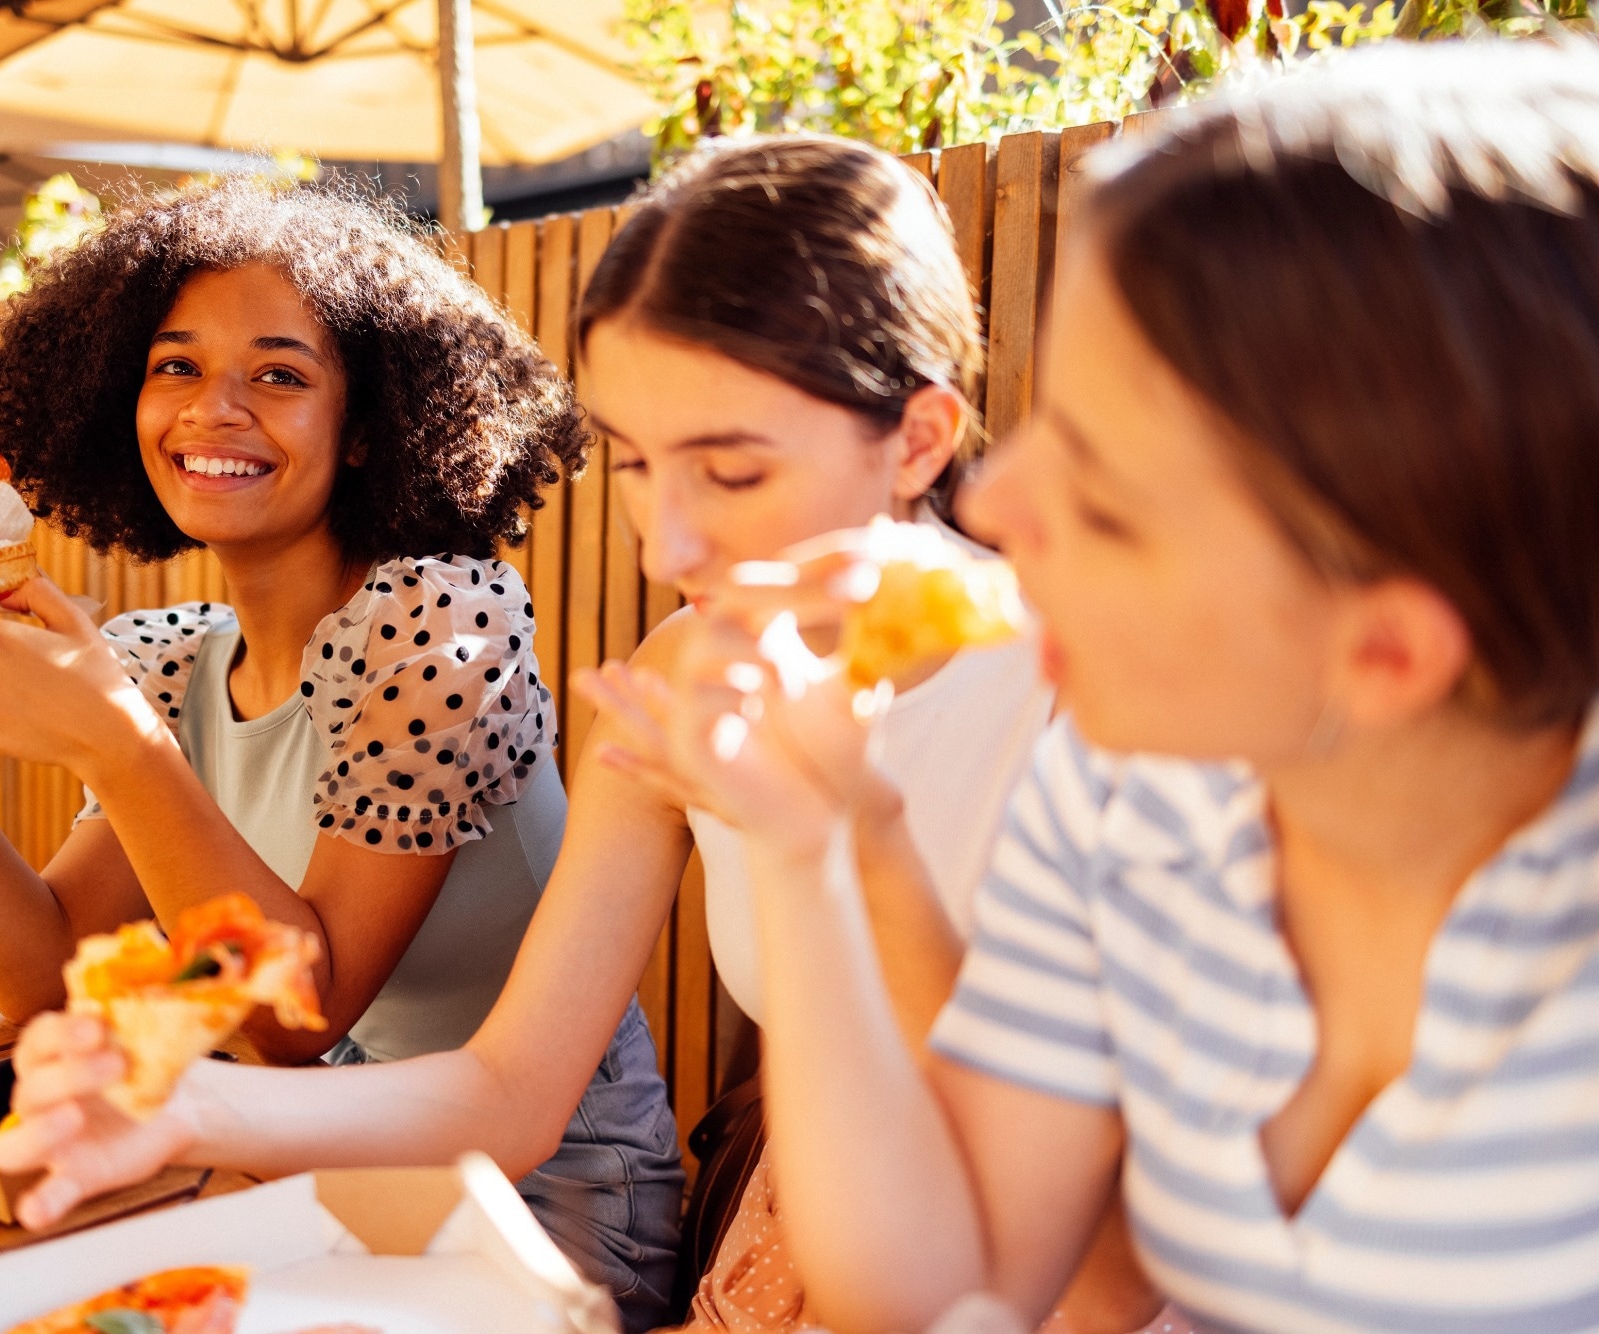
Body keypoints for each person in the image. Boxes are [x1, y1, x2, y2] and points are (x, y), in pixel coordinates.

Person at [0, 136, 1155, 1330]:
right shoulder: (680, 679)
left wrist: (837, 833)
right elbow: (506, 1089)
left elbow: (1088, 1260)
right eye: (640, 466)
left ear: (916, 439)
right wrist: (187, 1108)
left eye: (734, 471)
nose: (669, 549)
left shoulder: (1095, 699)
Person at [602, 43, 1599, 1334]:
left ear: (1387, 654)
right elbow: (943, 1282)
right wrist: (822, 839)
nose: (999, 500)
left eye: (1110, 492)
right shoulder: (1139, 791)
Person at [0, 181, 683, 1325]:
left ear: (365, 429)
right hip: (299, 1182)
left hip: (534, 1210)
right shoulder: (171, 661)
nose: (212, 409)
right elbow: (47, 968)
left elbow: (302, 1017)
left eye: (279, 373)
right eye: (174, 366)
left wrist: (122, 749)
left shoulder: (445, 623)